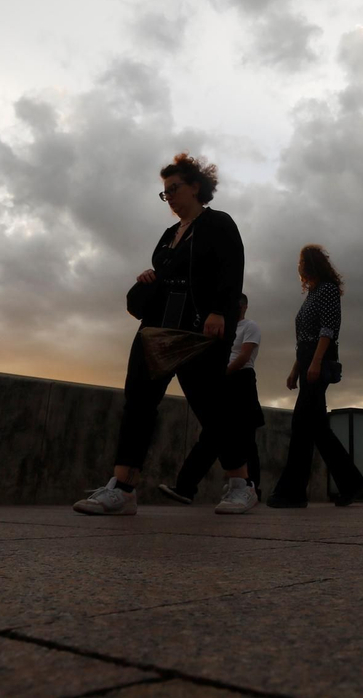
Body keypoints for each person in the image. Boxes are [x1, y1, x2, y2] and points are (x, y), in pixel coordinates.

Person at [74, 153, 257, 517]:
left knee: (210, 407)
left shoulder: (218, 223)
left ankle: (241, 484)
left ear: (196, 187)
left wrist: (220, 311)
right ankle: (123, 488)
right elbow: (166, 276)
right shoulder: (168, 236)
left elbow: (230, 269)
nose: (169, 197)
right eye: (164, 193)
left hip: (199, 329)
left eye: (174, 189)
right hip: (156, 329)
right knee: (139, 403)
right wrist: (149, 278)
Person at [267, 245, 363, 508]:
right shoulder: (311, 293)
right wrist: (294, 370)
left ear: (310, 264)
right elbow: (303, 338)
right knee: (317, 429)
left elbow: (328, 329)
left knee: (302, 425)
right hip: (307, 360)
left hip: (318, 362)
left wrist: (314, 363)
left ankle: (293, 492)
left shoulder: (327, 290)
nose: (298, 267)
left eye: (301, 262)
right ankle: (351, 483)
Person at [158, 293, 265, 503]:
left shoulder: (250, 327)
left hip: (241, 380)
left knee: (246, 436)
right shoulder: (223, 326)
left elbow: (244, 356)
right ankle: (185, 486)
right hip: (221, 380)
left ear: (243, 307)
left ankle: (251, 488)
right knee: (213, 433)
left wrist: (222, 374)